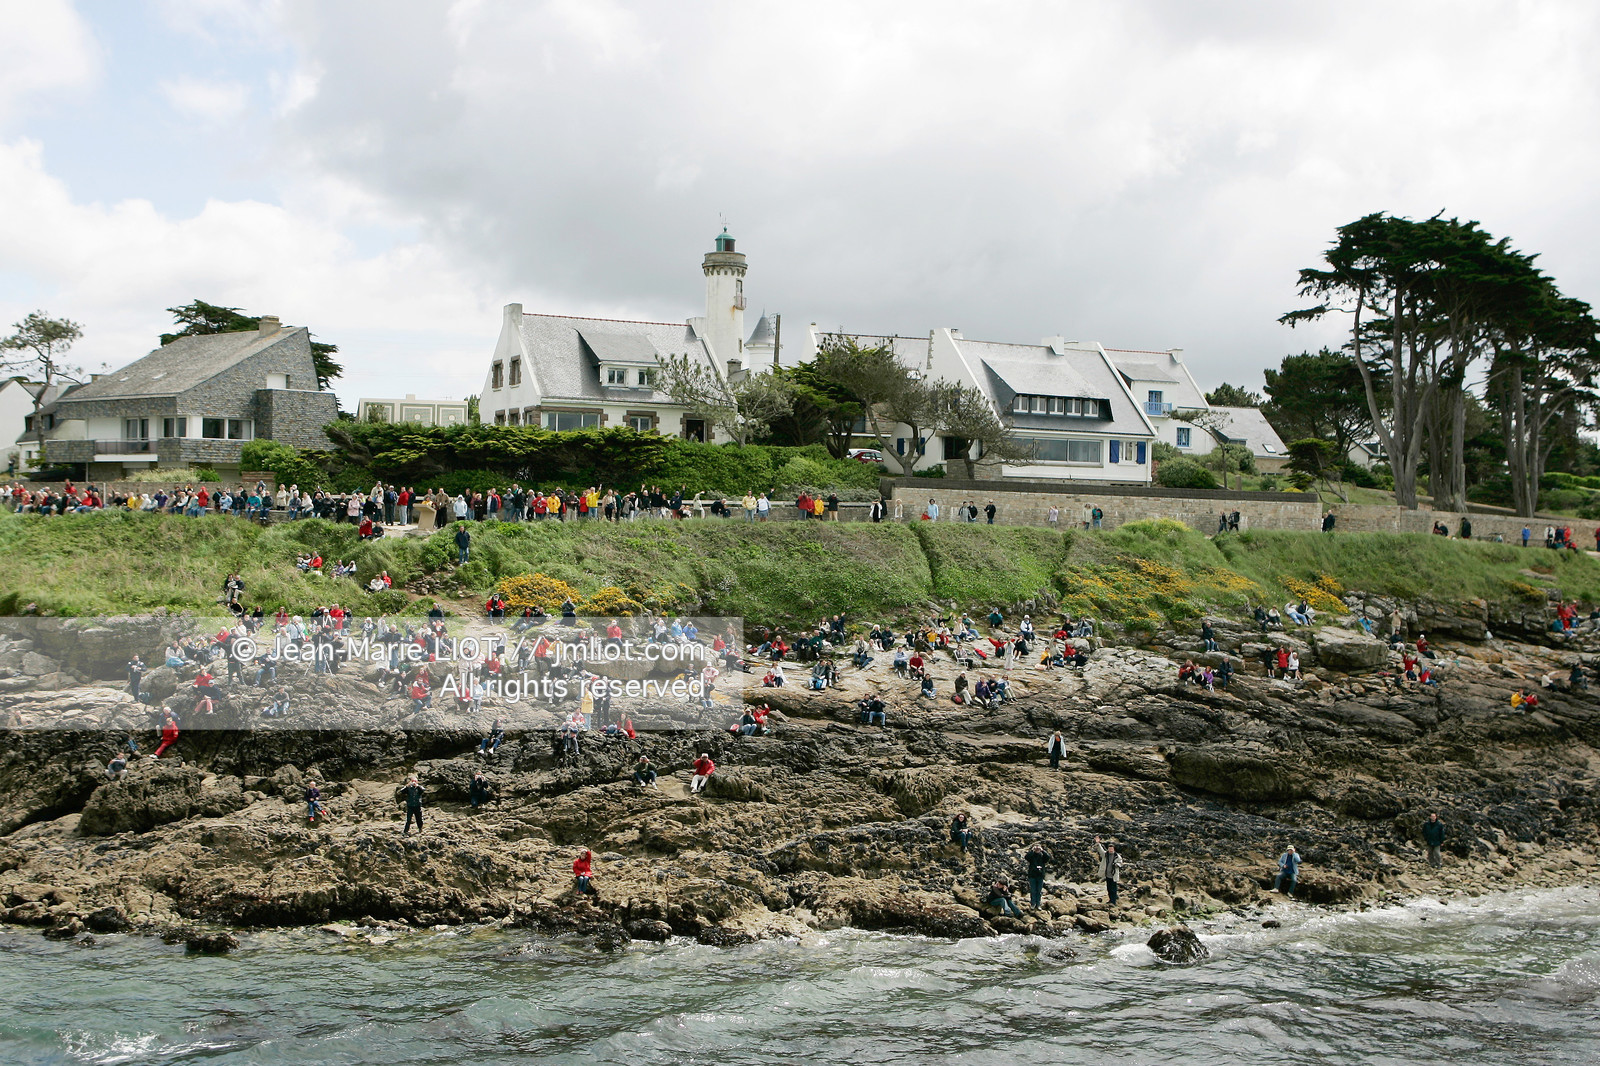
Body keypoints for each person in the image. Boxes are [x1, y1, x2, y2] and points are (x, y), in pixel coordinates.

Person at [1093, 836, 1122, 905]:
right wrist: (1098, 843)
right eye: (1109, 848)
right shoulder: (1105, 854)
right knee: (1109, 888)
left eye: (1112, 848)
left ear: (1114, 849)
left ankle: (1113, 901)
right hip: (1107, 875)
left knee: (1113, 889)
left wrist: (1116, 864)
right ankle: (1110, 900)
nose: (1110, 850)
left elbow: (1120, 863)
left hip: (1113, 875)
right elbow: (1100, 850)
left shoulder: (1117, 856)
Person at [1025, 842, 1051, 909]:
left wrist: (1042, 850)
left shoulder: (1042, 856)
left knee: (1039, 891)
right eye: (1036, 848)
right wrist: (1032, 850)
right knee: (1033, 890)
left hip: (1040, 876)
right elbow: (1026, 857)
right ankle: (1033, 904)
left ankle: (1038, 904)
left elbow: (1048, 857)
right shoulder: (1032, 856)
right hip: (1032, 875)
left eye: (1038, 848)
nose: (1037, 849)